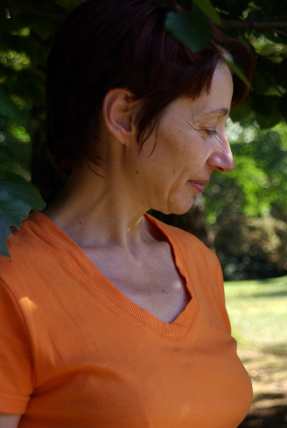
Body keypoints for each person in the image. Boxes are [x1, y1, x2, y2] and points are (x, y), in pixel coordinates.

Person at [0, 1, 255, 427]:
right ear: (124, 117)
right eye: (208, 127)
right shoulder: (12, 284)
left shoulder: (197, 263)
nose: (225, 158)